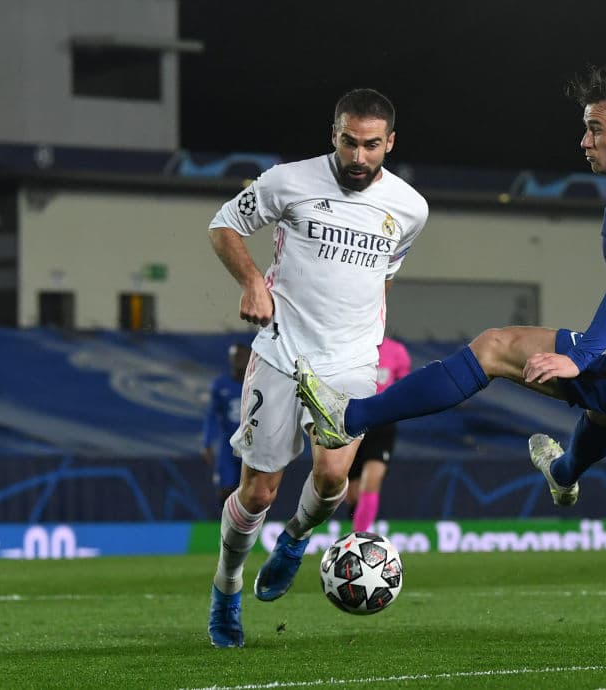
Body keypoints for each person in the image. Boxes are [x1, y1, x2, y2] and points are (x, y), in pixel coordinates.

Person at [295, 66, 606, 515]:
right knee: (602, 406)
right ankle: (563, 474)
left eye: (596, 130)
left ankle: (349, 418)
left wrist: (580, 354)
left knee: (493, 347)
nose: (585, 142)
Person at [205, 88, 428, 648]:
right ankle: (227, 588)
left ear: (390, 143)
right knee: (258, 493)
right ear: (334, 134)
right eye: (349, 142)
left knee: (333, 477)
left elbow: (385, 273)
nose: (358, 156)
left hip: (351, 361)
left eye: (371, 145)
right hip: (282, 351)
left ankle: (295, 539)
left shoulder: (410, 208)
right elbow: (223, 225)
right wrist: (254, 281)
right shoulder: (287, 181)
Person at [346, 336, 412, 532]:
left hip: (382, 424)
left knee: (371, 480)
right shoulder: (349, 347)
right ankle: (357, 526)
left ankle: (359, 537)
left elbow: (405, 386)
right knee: (352, 492)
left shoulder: (396, 351)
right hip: (353, 420)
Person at [201, 343, 252, 506]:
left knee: (252, 493)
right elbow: (212, 416)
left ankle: (247, 529)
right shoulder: (220, 385)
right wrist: (207, 443)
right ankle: (227, 529)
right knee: (225, 492)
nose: (238, 361)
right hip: (228, 445)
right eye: (235, 357)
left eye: (242, 356)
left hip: (251, 444)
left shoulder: (258, 384)